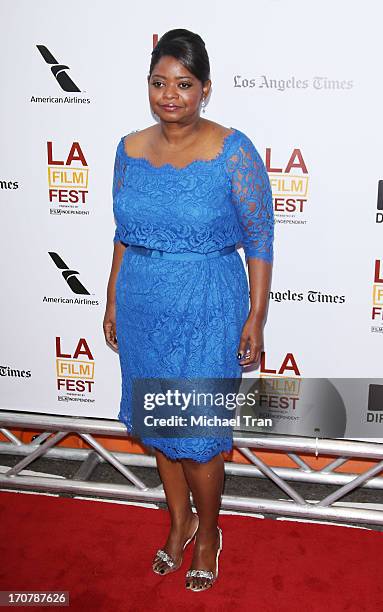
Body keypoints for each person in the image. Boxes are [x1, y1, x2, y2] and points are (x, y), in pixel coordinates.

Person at [103, 28, 274, 592]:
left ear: (205, 88)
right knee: (160, 424)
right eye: (159, 82)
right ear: (147, 85)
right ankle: (177, 526)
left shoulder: (234, 149)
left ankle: (208, 535)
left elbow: (260, 239)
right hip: (142, 303)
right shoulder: (127, 149)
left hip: (206, 303)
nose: (169, 94)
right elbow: (122, 235)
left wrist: (255, 316)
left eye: (183, 84)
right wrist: (110, 298)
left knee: (196, 432)